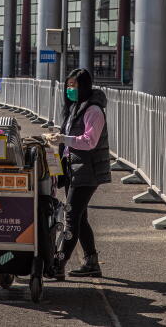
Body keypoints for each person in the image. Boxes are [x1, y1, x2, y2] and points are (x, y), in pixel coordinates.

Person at [48, 68, 111, 279]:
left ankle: (59, 263)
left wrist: (63, 139)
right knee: (80, 217)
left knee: (71, 217)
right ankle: (92, 262)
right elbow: (69, 139)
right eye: (68, 85)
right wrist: (58, 140)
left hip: (87, 170)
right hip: (72, 168)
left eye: (73, 85)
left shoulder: (94, 111)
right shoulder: (76, 107)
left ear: (84, 86)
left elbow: (89, 141)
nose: (69, 89)